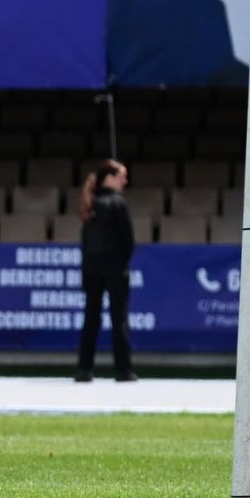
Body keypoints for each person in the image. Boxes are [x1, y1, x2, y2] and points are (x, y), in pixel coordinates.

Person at [75, 158, 137, 383]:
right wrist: (121, 263)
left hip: (92, 269)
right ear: (110, 178)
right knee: (118, 318)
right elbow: (128, 241)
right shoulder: (118, 204)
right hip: (115, 268)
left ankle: (84, 369)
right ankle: (123, 370)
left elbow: (85, 243)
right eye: (122, 176)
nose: (125, 181)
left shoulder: (90, 204)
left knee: (91, 318)